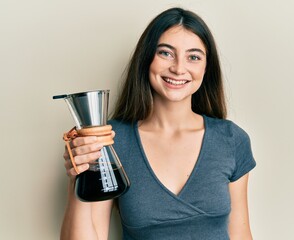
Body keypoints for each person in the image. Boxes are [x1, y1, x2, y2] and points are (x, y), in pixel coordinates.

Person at [61, 7, 256, 240]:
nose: (178, 68)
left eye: (193, 57)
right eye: (166, 53)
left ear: (206, 68)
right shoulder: (112, 140)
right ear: (146, 59)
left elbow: (241, 235)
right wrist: (78, 178)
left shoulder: (231, 140)